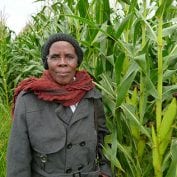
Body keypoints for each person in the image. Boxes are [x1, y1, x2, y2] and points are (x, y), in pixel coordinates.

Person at [7, 33, 111, 177]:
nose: (62, 62)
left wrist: (105, 172)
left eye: (69, 57)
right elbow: (18, 159)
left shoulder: (92, 96)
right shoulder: (28, 100)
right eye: (55, 57)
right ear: (46, 61)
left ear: (77, 62)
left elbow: (103, 141)